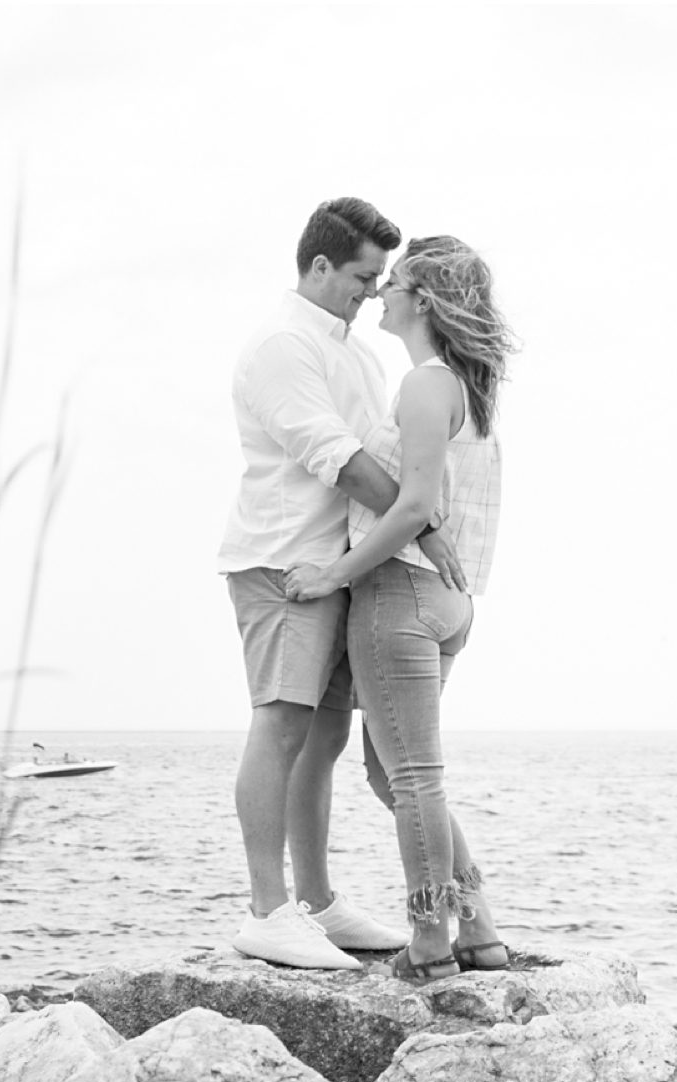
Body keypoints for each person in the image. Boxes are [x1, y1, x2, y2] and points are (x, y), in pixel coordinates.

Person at [216, 198, 461, 970]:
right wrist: (423, 524)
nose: (371, 289)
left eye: (379, 278)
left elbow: (383, 454)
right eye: (362, 275)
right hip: (285, 559)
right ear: (320, 265)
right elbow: (340, 458)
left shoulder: (355, 352)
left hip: (339, 567)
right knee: (282, 722)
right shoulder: (283, 345)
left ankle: (317, 904)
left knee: (321, 737)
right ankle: (267, 909)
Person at [285, 235, 513, 982]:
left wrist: (332, 574)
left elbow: (414, 505)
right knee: (395, 777)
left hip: (401, 594)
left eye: (396, 283)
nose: (382, 292)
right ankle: (475, 924)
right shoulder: (469, 389)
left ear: (424, 299)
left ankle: (430, 943)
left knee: (412, 776)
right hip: (451, 603)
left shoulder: (425, 386)